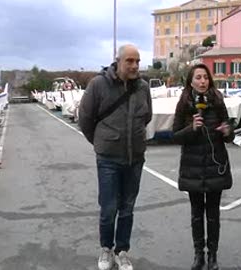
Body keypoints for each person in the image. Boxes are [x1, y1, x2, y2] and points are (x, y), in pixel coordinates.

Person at [78, 44, 152, 270]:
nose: (134, 66)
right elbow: (85, 119)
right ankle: (106, 249)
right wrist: (102, 143)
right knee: (109, 207)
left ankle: (122, 251)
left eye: (137, 61)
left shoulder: (143, 88)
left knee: (127, 208)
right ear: (117, 61)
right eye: (129, 61)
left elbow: (146, 116)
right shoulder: (98, 85)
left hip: (135, 158)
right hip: (108, 158)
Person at [172, 63, 233, 270]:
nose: (202, 81)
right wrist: (192, 128)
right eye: (198, 77)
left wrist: (227, 131)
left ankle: (212, 255)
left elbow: (229, 130)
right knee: (197, 214)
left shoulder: (217, 101)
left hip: (215, 165)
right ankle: (199, 254)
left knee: (213, 214)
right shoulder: (184, 103)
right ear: (191, 81)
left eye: (205, 77)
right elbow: (175, 136)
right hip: (193, 167)